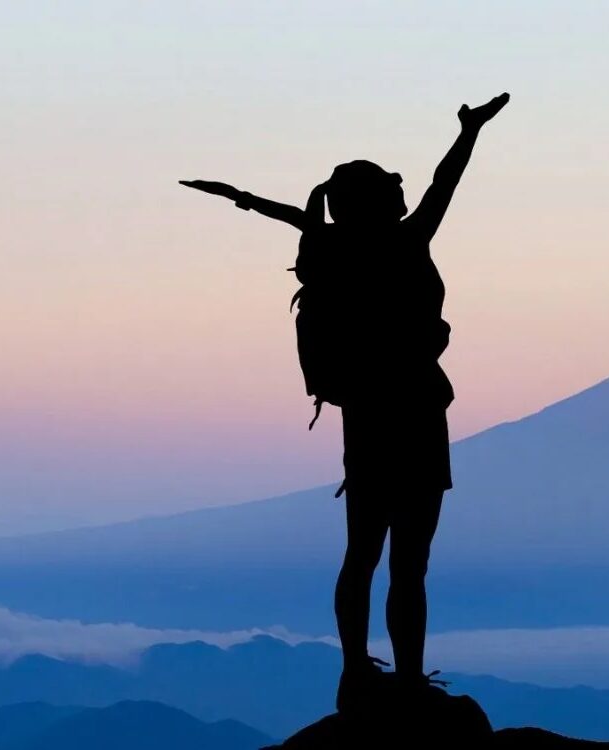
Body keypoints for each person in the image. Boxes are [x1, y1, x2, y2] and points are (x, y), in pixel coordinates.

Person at [179, 92, 509, 712]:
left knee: (363, 552)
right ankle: (407, 679)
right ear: (383, 202)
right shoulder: (408, 242)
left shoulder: (333, 254)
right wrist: (469, 133)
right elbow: (446, 183)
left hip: (365, 418)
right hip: (416, 413)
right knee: (410, 562)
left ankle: (355, 670)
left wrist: (241, 198)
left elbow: (297, 220)